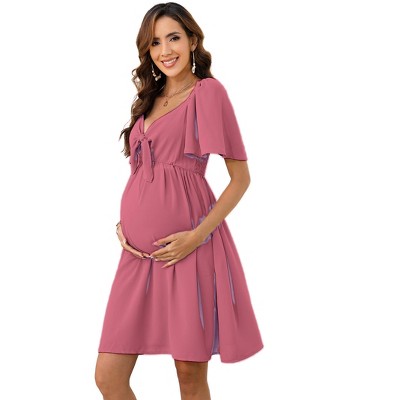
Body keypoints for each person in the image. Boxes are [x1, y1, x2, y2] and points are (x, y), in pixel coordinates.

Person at [95, 2, 263, 399]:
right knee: (108, 377)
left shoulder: (208, 92)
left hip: (188, 249)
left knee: (189, 375)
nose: (165, 50)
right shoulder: (149, 98)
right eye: (155, 42)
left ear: (192, 41)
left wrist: (196, 237)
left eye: (173, 38)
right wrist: (126, 221)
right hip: (136, 255)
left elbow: (240, 179)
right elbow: (143, 174)